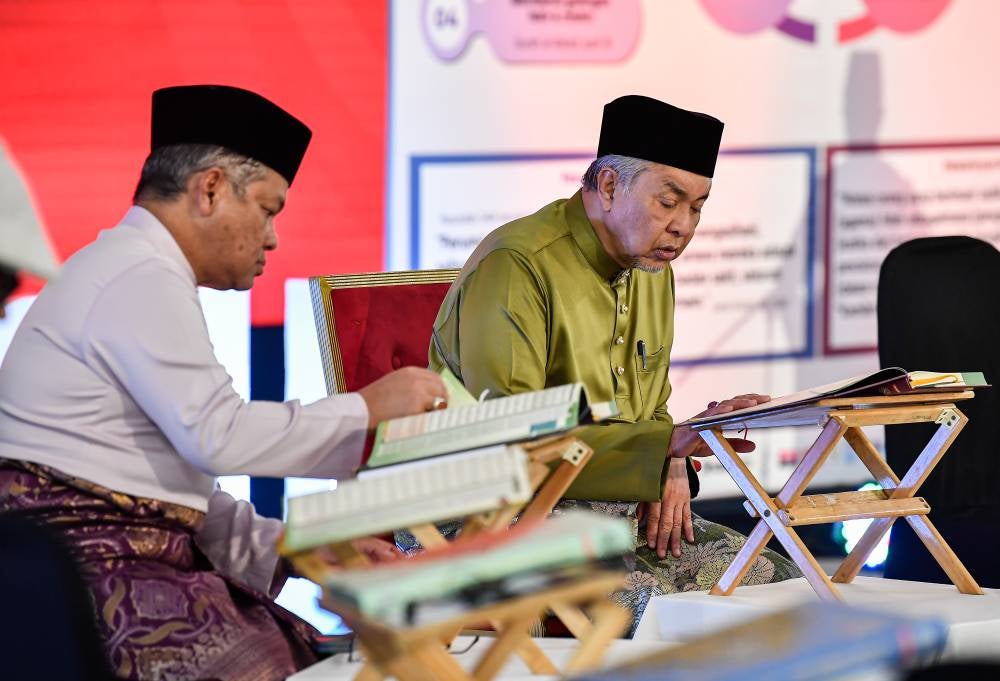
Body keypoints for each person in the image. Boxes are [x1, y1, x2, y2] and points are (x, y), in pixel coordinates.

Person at [0, 85, 448, 680]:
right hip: (87, 582)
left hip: (121, 566)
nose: (273, 237)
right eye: (268, 209)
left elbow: (177, 491)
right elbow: (218, 436)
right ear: (209, 189)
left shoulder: (135, 270)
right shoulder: (138, 276)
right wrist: (367, 409)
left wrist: (305, 548)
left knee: (316, 655)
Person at [428, 95, 800, 633]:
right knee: (681, 622)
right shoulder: (518, 265)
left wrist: (671, 460)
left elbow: (651, 404)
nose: (683, 227)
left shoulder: (651, 267)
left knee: (779, 586)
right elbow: (512, 440)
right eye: (668, 201)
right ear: (606, 186)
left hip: (604, 506)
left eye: (697, 207)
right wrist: (659, 450)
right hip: (485, 514)